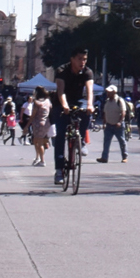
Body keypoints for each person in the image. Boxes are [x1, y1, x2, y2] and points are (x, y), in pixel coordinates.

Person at [51, 48, 95, 184]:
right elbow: (61, 91)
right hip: (61, 101)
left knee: (87, 113)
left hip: (78, 100)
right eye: (80, 59)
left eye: (85, 59)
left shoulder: (87, 72)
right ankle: (59, 170)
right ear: (72, 59)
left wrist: (90, 105)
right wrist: (64, 105)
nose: (83, 62)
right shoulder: (62, 70)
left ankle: (80, 140)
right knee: (60, 136)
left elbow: (89, 90)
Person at [98, 85, 130, 163]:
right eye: (107, 92)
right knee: (106, 142)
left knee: (122, 141)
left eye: (109, 92)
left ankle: (124, 157)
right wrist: (104, 123)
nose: (108, 93)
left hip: (117, 125)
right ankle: (104, 158)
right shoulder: (107, 101)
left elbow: (123, 112)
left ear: (114, 92)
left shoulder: (119, 100)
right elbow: (105, 113)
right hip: (109, 124)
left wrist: (119, 122)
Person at [28, 91, 52, 166]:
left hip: (38, 124)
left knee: (39, 142)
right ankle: (38, 157)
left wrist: (27, 126)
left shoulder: (37, 103)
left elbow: (33, 115)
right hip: (46, 123)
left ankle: (42, 160)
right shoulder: (48, 101)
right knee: (36, 141)